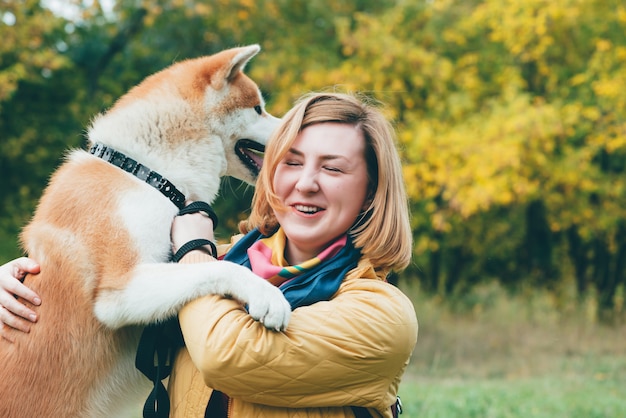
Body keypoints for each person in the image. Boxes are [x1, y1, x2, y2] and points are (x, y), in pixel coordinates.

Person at [0, 92, 418, 417]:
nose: (306, 183)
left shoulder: (380, 314)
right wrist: (20, 281)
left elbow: (225, 354)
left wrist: (195, 250)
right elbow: (106, 298)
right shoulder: (219, 263)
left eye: (333, 168)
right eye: (291, 162)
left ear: (371, 192)